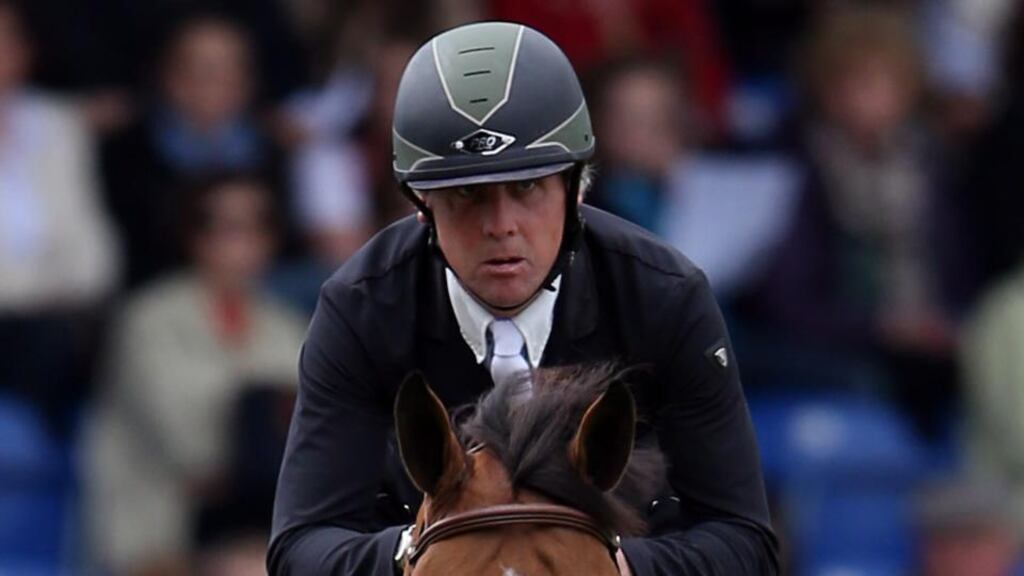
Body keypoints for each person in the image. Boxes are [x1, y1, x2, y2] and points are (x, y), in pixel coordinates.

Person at [269, 22, 777, 575]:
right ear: (421, 204)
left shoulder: (665, 296)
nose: (501, 226)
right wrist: (425, 551)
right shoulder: (360, 307)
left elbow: (745, 542)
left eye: (528, 187)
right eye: (467, 194)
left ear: (577, 187)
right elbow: (301, 549)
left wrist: (605, 564)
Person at [84, 174, 306, 576]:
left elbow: (308, 439)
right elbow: (192, 449)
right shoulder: (148, 320)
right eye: (228, 227)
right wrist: (260, 419)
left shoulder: (287, 328)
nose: (245, 242)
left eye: (260, 226)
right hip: (160, 534)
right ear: (195, 236)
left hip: (258, 528)